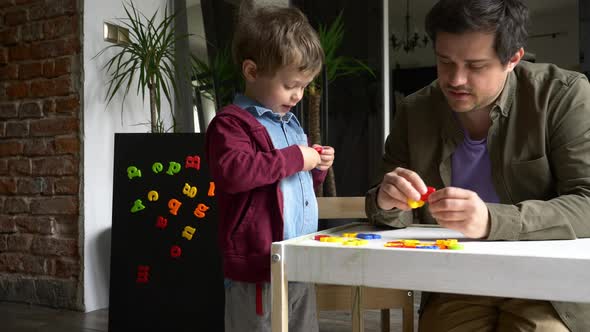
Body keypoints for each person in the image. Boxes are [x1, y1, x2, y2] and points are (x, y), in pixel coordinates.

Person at [365, 0, 590, 331]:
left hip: (546, 282)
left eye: (476, 66)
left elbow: (586, 201)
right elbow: (382, 210)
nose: (456, 79)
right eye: (445, 62)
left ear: (513, 59)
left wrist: (492, 221)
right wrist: (387, 201)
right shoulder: (415, 112)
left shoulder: (563, 96)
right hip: (456, 280)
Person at [204, 2, 334, 331]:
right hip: (258, 268)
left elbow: (295, 190)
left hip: (299, 259)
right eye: (290, 85)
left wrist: (316, 168)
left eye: (304, 87)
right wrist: (296, 157)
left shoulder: (290, 125)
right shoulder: (230, 124)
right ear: (252, 72)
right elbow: (235, 172)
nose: (298, 95)